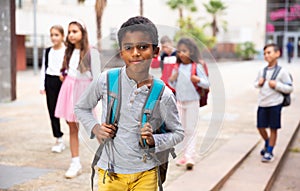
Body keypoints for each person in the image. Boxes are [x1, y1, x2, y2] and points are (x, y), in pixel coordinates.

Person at [75, 16, 184, 191]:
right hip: (109, 171)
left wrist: (153, 140)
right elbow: (81, 107)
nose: (135, 53)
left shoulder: (164, 94)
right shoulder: (106, 80)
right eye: (128, 47)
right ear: (121, 52)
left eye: (143, 47)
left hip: (146, 172)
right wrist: (95, 128)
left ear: (155, 51)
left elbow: (177, 133)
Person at [55, 20, 101, 178]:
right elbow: (68, 69)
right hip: (69, 90)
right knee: (72, 127)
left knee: (95, 127)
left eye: (75, 31)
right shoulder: (68, 51)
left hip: (84, 92)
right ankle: (75, 163)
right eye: (69, 32)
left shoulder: (91, 51)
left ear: (83, 33)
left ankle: (111, 159)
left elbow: (97, 77)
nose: (71, 35)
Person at [169, 37, 209, 170]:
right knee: (182, 130)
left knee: (191, 129)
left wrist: (197, 79)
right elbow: (172, 84)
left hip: (193, 101)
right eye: (179, 51)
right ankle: (185, 156)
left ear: (191, 51)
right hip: (180, 102)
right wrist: (172, 79)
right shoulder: (178, 66)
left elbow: (206, 83)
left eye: (184, 51)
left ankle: (190, 156)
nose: (181, 54)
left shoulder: (196, 66)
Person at [254, 43, 293, 162]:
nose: (266, 55)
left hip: (275, 104)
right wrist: (259, 83)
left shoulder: (282, 72)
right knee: (260, 127)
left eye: (269, 52)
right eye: (265, 53)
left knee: (273, 128)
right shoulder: (262, 71)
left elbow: (290, 88)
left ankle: (270, 151)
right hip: (263, 103)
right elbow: (255, 84)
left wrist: (276, 85)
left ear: (277, 53)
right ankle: (267, 141)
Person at [39, 25, 66, 153]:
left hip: (63, 82)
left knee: (67, 111)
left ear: (62, 36)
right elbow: (43, 69)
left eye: (56, 35)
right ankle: (59, 139)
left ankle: (73, 133)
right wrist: (42, 85)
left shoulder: (67, 50)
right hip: (50, 81)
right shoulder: (47, 51)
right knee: (52, 111)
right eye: (52, 35)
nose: (54, 38)